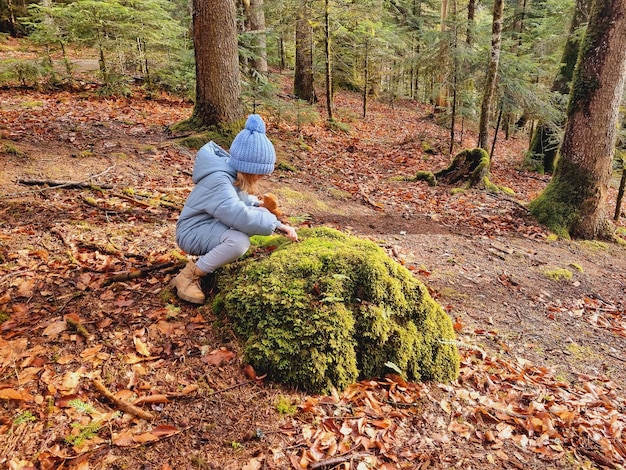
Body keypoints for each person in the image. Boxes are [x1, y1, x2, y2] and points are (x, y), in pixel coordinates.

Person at [171, 114, 298, 304]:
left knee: (260, 214)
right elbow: (238, 215)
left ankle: (213, 258)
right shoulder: (219, 181)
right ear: (248, 168)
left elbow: (240, 200)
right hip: (191, 232)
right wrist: (278, 226)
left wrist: (259, 206)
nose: (262, 177)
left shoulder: (229, 174)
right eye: (261, 173)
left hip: (208, 225)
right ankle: (188, 276)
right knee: (238, 242)